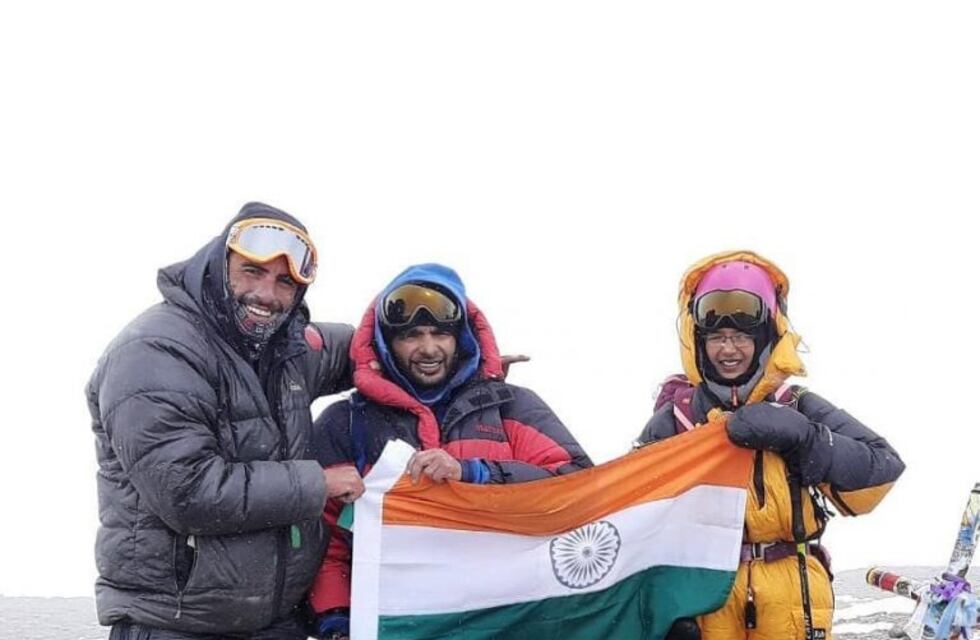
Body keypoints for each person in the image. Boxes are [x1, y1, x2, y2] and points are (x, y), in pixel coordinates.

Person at [87, 203, 366, 639]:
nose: (267, 295)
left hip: (277, 623)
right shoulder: (156, 351)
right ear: (220, 264)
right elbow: (188, 492)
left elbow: (372, 344)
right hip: (176, 625)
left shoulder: (284, 345)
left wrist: (465, 356)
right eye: (252, 272)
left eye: (285, 282)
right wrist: (318, 485)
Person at [307, 263, 594, 638]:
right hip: (400, 628)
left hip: (512, 624)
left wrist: (476, 474)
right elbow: (323, 543)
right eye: (411, 336)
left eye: (441, 333)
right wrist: (337, 620)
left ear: (462, 338)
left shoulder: (512, 408)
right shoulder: (344, 423)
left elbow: (580, 489)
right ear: (385, 342)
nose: (428, 349)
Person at [636, 251, 904, 640]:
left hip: (792, 596)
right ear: (698, 342)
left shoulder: (797, 407)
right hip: (702, 595)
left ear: (765, 338)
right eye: (717, 338)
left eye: (742, 336)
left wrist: (808, 440)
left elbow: (879, 474)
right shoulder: (675, 419)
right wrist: (663, 611)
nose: (729, 350)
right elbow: (630, 519)